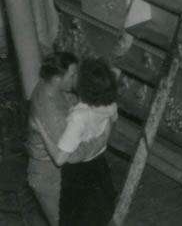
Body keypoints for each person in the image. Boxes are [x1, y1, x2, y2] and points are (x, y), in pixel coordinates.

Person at [34, 57, 119, 226]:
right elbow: (112, 121)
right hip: (100, 168)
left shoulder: (78, 117)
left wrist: (41, 130)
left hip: (79, 175)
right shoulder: (110, 104)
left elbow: (59, 159)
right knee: (99, 215)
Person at [26, 51, 78, 225]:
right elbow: (65, 155)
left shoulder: (49, 85)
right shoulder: (48, 110)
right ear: (57, 79)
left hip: (54, 169)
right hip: (46, 175)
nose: (75, 79)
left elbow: (69, 103)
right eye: (72, 75)